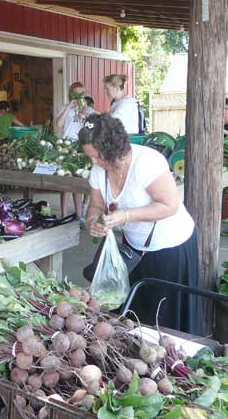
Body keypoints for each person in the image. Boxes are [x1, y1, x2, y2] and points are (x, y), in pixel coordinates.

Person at [80, 114, 200, 334]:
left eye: (97, 157)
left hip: (171, 248)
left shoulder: (147, 162)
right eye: (90, 157)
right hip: (134, 249)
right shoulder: (99, 171)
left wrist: (124, 216)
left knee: (166, 318)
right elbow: (96, 205)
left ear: (113, 149)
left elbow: (169, 205)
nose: (94, 163)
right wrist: (92, 221)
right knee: (135, 314)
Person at [56, 82, 96, 222]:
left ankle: (79, 215)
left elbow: (96, 124)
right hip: (67, 147)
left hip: (81, 148)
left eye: (82, 94)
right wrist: (69, 107)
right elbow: (59, 125)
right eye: (76, 94)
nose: (80, 96)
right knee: (66, 182)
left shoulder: (88, 110)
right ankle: (64, 215)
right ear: (71, 95)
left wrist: (84, 115)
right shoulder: (64, 107)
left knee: (78, 183)